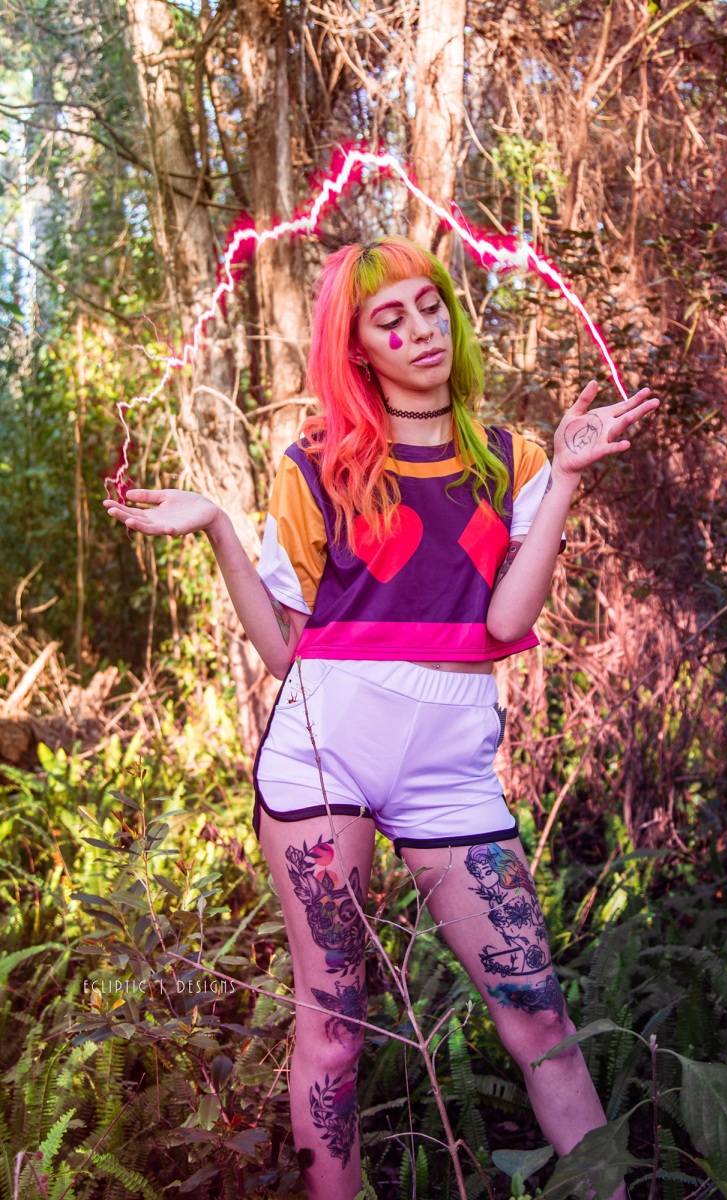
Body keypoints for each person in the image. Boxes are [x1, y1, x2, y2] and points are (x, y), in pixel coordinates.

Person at [104, 236, 658, 1199]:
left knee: (541, 1021)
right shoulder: (319, 465)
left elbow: (505, 624)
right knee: (333, 1030)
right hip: (326, 754)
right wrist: (220, 528)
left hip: (453, 767)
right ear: (356, 346)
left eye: (429, 305)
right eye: (389, 319)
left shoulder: (514, 459)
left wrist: (567, 479)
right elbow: (286, 652)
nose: (420, 330)